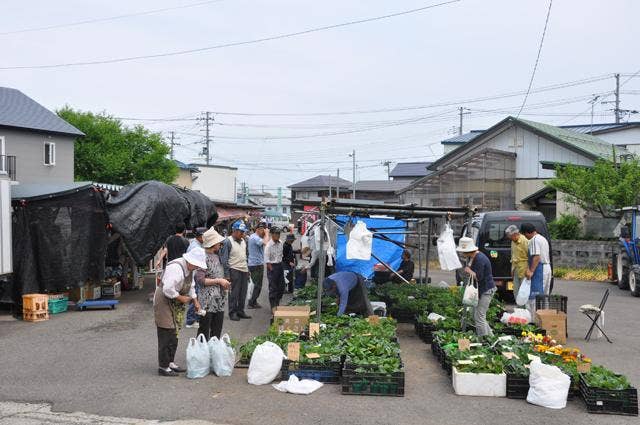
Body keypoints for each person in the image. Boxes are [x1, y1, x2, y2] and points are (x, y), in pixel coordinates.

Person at [153, 247, 207, 376]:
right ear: (190, 261)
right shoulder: (176, 268)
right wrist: (181, 297)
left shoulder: (191, 269)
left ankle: (170, 362)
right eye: (196, 265)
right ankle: (163, 367)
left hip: (176, 300)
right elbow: (168, 289)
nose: (197, 267)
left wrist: (195, 301)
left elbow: (191, 286)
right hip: (164, 299)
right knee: (166, 331)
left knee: (175, 332)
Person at [195, 228, 230, 340]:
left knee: (217, 329)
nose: (220, 244)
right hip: (207, 301)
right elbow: (200, 280)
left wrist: (224, 281)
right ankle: (201, 355)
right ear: (213, 243)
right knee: (204, 330)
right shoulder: (202, 257)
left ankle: (213, 351)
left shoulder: (216, 255)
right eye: (218, 242)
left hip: (219, 299)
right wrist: (219, 281)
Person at [457, 236, 496, 337]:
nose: (462, 253)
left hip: (486, 290)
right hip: (483, 290)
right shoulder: (474, 257)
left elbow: (479, 277)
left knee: (479, 317)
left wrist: (468, 270)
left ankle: (483, 340)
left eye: (463, 251)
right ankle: (491, 337)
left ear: (468, 251)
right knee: (479, 316)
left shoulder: (479, 259)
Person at [220, 220, 251, 321]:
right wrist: (226, 274)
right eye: (241, 232)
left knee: (243, 293)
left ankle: (240, 311)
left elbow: (246, 255)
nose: (243, 234)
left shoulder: (244, 241)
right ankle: (232, 312)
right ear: (234, 230)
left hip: (244, 270)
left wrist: (248, 270)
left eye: (243, 232)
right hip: (234, 270)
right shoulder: (227, 242)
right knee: (234, 293)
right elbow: (224, 260)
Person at [521, 222, 552, 309]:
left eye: (524, 234)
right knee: (545, 294)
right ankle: (545, 315)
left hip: (540, 268)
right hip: (546, 267)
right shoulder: (542, 238)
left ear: (527, 233)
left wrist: (531, 271)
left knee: (536, 294)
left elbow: (536, 257)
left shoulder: (534, 240)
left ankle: (535, 318)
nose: (525, 237)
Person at [247, 222, 269, 309]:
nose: (263, 232)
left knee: (257, 284)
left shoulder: (255, 237)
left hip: (257, 263)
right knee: (257, 285)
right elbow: (266, 242)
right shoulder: (254, 237)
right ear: (257, 230)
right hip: (255, 264)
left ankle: (254, 301)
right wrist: (267, 233)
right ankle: (251, 302)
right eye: (262, 230)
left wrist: (265, 234)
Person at [505, 225, 529, 300]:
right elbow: (513, 256)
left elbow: (531, 257)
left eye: (510, 236)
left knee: (524, 291)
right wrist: (512, 269)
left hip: (524, 269)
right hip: (516, 269)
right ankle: (519, 308)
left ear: (515, 234)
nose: (509, 238)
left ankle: (525, 309)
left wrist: (529, 270)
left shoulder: (525, 241)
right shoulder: (513, 241)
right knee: (516, 290)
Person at [265, 227, 285, 311]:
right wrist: (271, 270)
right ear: (272, 234)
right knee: (273, 287)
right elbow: (267, 260)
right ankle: (273, 306)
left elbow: (281, 255)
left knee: (281, 287)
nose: (277, 235)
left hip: (280, 266)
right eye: (276, 234)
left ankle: (277, 302)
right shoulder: (268, 246)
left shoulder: (281, 243)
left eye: (278, 234)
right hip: (272, 267)